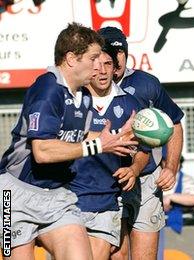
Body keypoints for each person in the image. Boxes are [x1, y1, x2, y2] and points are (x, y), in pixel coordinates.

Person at [0, 23, 137, 259]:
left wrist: (115, 138)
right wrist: (100, 146)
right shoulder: (48, 89)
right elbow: (42, 151)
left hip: (57, 195)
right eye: (93, 57)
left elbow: (79, 136)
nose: (100, 64)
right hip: (14, 196)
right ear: (72, 59)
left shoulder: (82, 94)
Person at [99, 26, 185, 260]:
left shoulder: (147, 83)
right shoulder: (90, 86)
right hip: (108, 180)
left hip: (146, 180)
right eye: (107, 55)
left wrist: (171, 167)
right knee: (118, 254)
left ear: (126, 53)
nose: (113, 63)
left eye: (118, 55)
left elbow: (175, 124)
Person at [69, 47, 149, 260]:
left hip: (109, 196)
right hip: (70, 196)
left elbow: (144, 149)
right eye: (96, 66)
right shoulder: (73, 100)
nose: (102, 71)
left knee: (116, 254)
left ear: (115, 69)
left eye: (107, 65)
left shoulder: (129, 104)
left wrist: (134, 168)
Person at [164, 156, 194, 233]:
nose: (172, 165)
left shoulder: (186, 179)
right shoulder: (154, 179)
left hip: (183, 222)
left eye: (176, 162)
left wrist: (169, 197)